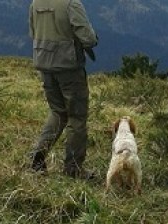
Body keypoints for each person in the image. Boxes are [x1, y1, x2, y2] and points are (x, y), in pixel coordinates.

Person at [28, 0, 98, 179]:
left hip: (44, 64)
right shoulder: (71, 3)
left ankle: (38, 155)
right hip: (68, 67)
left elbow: (33, 32)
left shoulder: (36, 2)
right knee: (77, 116)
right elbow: (88, 38)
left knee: (58, 111)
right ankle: (73, 169)